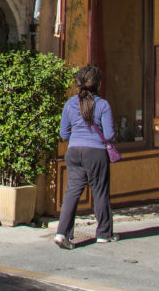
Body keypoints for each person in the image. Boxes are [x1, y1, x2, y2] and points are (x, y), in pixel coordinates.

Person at [55, 64, 117, 248]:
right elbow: (108, 135)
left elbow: (63, 133)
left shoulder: (69, 104)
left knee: (72, 193)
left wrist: (76, 138)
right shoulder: (103, 105)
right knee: (100, 191)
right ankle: (104, 234)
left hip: (74, 151)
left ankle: (62, 233)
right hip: (96, 152)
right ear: (97, 84)